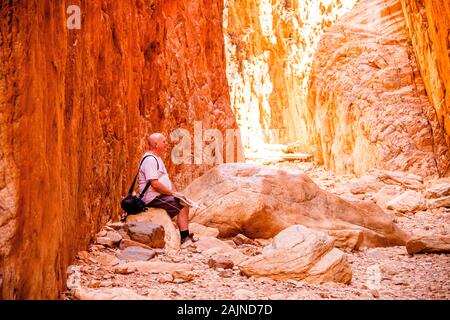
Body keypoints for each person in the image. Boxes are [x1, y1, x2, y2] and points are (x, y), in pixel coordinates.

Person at [137, 132, 196, 245]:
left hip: (158, 195)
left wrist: (175, 193)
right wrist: (172, 193)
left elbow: (165, 179)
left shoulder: (157, 158)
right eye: (163, 141)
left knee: (183, 200)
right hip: (152, 198)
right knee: (183, 205)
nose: (166, 143)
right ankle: (184, 237)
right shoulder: (150, 160)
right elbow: (154, 184)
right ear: (156, 144)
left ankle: (185, 234)